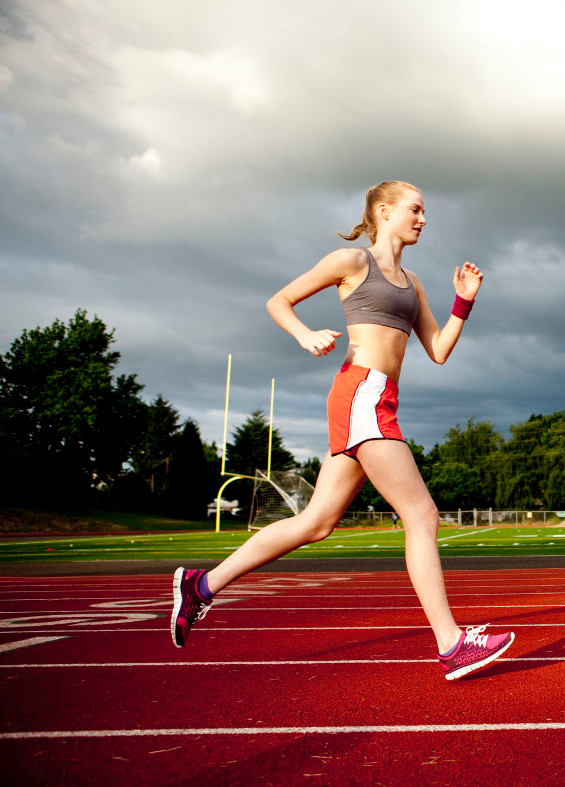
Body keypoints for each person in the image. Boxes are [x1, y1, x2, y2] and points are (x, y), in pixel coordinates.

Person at [169, 181, 514, 681]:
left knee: (316, 523)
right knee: (421, 514)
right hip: (361, 393)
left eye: (425, 211)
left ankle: (202, 586)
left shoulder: (412, 282)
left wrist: (463, 302)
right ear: (384, 210)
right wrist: (305, 334)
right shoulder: (353, 262)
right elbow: (279, 301)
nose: (423, 218)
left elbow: (438, 350)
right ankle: (451, 643)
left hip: (377, 399)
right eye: (415, 209)